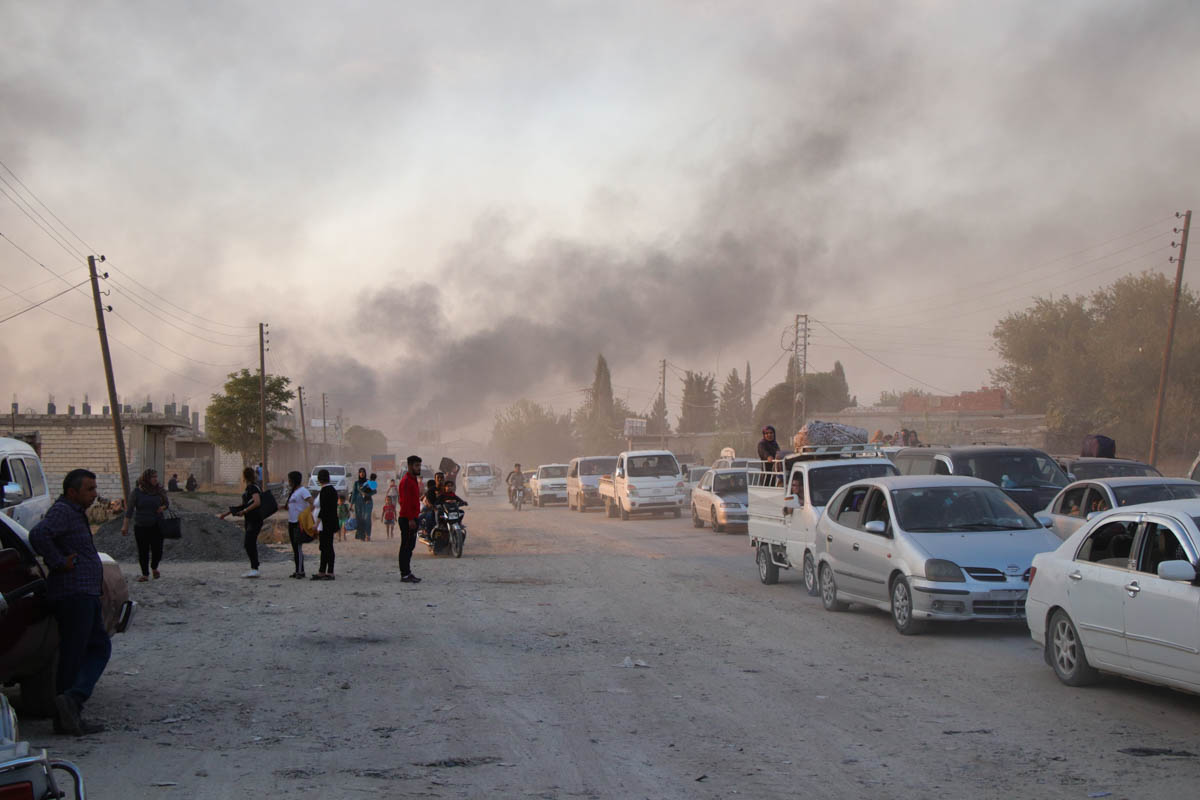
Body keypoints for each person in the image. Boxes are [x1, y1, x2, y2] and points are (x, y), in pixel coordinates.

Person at [28, 468, 110, 736]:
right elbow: (38, 535)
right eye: (89, 489)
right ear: (72, 492)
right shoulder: (63, 511)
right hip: (74, 593)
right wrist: (58, 562)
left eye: (95, 489)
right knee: (93, 649)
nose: (94, 494)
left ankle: (67, 713)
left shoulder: (74, 513)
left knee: (79, 652)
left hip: (81, 592)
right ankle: (72, 700)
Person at [120, 468, 169, 582]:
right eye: (153, 477)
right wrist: (125, 525)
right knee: (143, 551)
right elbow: (130, 510)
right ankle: (145, 574)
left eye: (156, 476)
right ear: (146, 478)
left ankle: (154, 567)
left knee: (158, 550)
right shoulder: (137, 492)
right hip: (141, 526)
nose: (155, 479)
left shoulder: (159, 490)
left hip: (157, 525)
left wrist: (162, 508)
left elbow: (166, 503)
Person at [218, 467, 264, 578]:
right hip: (250, 520)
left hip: (255, 520)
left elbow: (257, 502)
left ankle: (255, 569)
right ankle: (254, 568)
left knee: (249, 543)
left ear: (244, 476)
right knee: (250, 543)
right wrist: (227, 513)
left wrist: (244, 511)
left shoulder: (253, 488)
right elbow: (243, 504)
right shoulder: (249, 488)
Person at [397, 455, 422, 583]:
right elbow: (405, 502)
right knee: (406, 547)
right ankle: (405, 574)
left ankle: (407, 572)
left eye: (419, 465)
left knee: (410, 547)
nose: (419, 468)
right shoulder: (406, 481)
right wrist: (411, 519)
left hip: (412, 517)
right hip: (407, 519)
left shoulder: (413, 480)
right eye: (417, 465)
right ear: (410, 466)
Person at [284, 470, 313, 579]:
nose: (289, 482)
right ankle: (298, 570)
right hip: (291, 522)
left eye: (290, 479)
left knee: (298, 548)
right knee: (295, 548)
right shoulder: (294, 492)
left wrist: (306, 515)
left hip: (298, 523)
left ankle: (300, 571)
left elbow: (312, 502)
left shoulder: (303, 491)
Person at [313, 468, 339, 580]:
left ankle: (329, 572)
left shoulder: (325, 491)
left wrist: (316, 523)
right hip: (330, 522)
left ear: (319, 479)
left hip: (325, 523)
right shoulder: (332, 490)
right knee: (325, 547)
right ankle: (323, 570)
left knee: (326, 547)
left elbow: (324, 510)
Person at [350, 467, 375, 542]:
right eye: (360, 472)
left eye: (363, 472)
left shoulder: (369, 482)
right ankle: (361, 535)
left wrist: (367, 494)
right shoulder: (356, 483)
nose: (362, 473)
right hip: (358, 503)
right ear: (358, 473)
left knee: (367, 518)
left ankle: (368, 535)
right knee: (359, 519)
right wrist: (351, 504)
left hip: (367, 502)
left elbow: (374, 491)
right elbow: (354, 494)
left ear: (365, 473)